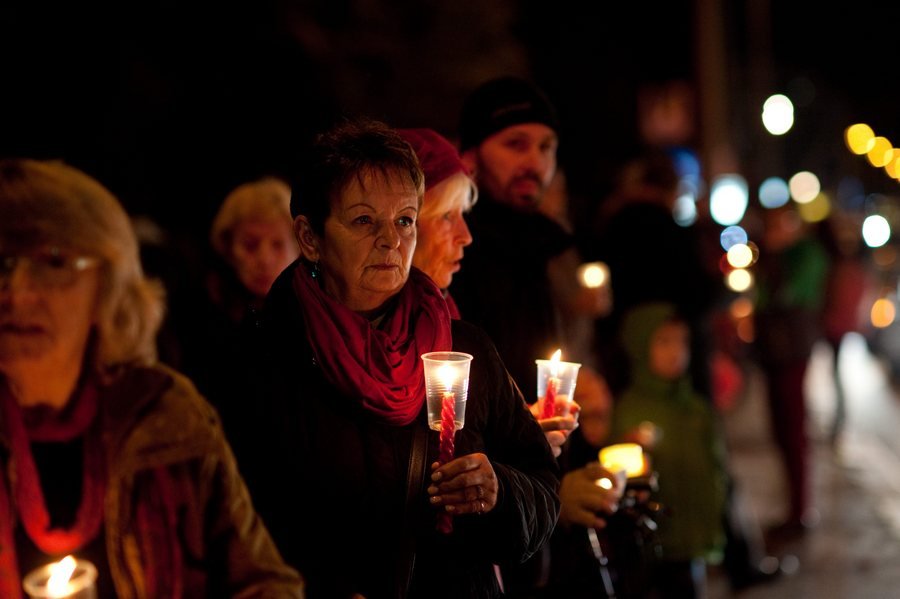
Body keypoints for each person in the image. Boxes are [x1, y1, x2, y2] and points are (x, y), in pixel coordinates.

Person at [236, 118, 559, 599]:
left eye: (405, 219)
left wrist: (500, 492)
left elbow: (542, 485)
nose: (391, 240)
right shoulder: (260, 361)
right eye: (364, 220)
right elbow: (235, 527)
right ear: (310, 237)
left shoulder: (464, 347)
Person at [0, 159, 303, 597]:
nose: (19, 290)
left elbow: (262, 581)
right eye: (3, 261)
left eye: (54, 261)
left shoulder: (165, 415)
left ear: (106, 286)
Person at [450, 76, 606, 402]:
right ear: (471, 156)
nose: (536, 163)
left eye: (546, 147)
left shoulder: (545, 244)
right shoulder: (453, 250)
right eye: (515, 144)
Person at [611, 302, 728, 598]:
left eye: (682, 341)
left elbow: (715, 465)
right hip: (655, 539)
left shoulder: (695, 407)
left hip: (692, 535)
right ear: (639, 345)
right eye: (663, 342)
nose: (676, 352)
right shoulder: (629, 408)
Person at [169, 177, 299, 423]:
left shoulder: (316, 312)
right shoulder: (197, 317)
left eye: (278, 245)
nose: (264, 259)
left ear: (299, 247)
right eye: (250, 245)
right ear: (228, 249)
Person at [754, 204, 829, 536]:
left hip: (792, 349)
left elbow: (783, 295)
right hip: (773, 351)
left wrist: (772, 259)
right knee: (781, 431)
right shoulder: (778, 256)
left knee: (794, 429)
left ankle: (800, 511)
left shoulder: (805, 255)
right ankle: (793, 509)